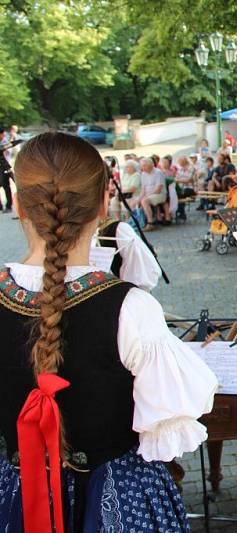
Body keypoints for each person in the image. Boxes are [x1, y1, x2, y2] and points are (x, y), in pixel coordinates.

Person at [0, 132, 218, 532]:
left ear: (19, 206)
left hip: (18, 492)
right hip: (118, 497)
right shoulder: (132, 309)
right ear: (104, 204)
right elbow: (164, 425)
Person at [138, 157, 167, 232]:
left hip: (160, 194)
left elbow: (158, 189)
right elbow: (143, 189)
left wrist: (145, 197)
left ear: (151, 165)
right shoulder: (143, 174)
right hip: (148, 195)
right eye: (142, 166)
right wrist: (139, 198)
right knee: (136, 201)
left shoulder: (158, 172)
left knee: (144, 201)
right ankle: (138, 222)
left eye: (144, 166)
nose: (142, 168)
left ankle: (150, 223)